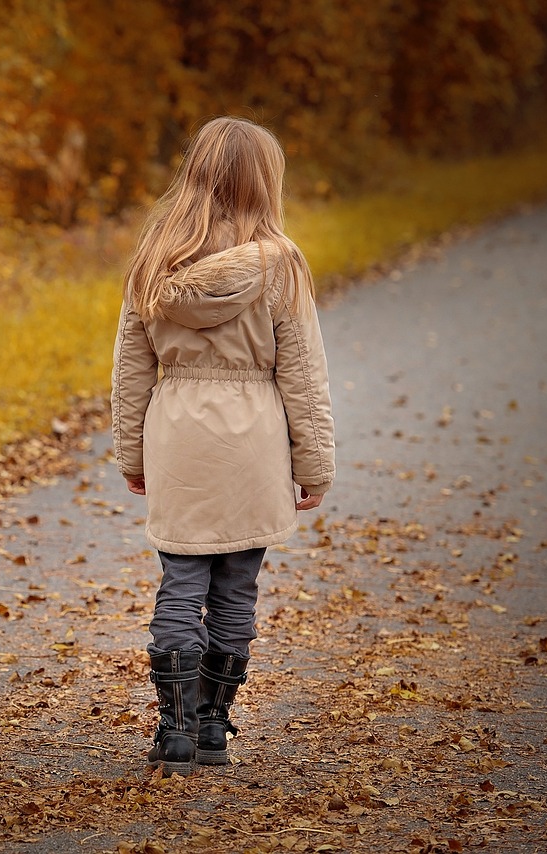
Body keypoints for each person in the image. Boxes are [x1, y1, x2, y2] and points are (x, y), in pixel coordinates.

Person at [111, 116, 335, 776]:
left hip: (178, 434)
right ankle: (213, 725)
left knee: (180, 584)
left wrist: (132, 454)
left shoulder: (154, 262)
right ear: (266, 181)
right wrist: (314, 463)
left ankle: (173, 730)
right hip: (254, 441)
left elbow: (131, 368)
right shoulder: (280, 264)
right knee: (236, 589)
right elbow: (302, 371)